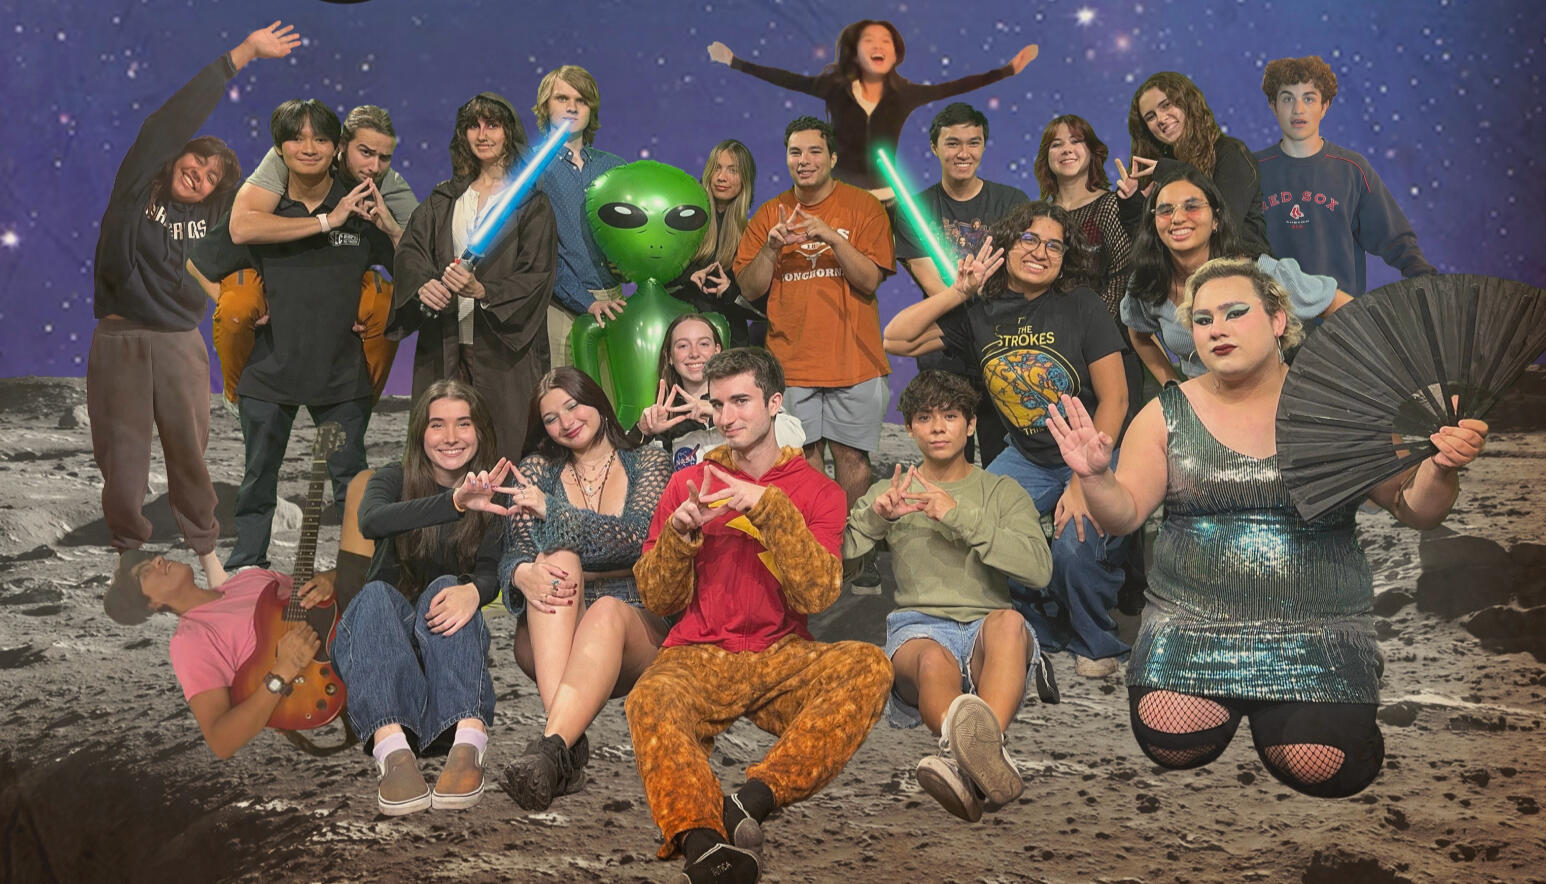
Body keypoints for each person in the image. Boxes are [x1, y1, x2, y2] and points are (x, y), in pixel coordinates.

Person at [1046, 256, 1489, 798]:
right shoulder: (1166, 413)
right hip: (1193, 623)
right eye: (1203, 320)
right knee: (1171, 741)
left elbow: (1415, 509)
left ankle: (1329, 696)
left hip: (1317, 626)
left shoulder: (1339, 409)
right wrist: (1094, 478)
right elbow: (1126, 513)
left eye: (1235, 312)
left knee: (1322, 766)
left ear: (1278, 319)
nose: (1217, 329)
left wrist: (1440, 468)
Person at [625, 348, 892, 883]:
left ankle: (748, 802)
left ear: (774, 403)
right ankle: (703, 845)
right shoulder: (688, 483)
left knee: (869, 666)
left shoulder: (820, 491)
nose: (727, 417)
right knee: (649, 698)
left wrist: (767, 507)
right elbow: (657, 599)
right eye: (718, 404)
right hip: (698, 653)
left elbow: (818, 594)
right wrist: (678, 537)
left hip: (781, 654)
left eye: (741, 401)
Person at [883, 202, 1131, 678]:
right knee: (971, 525)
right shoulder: (981, 310)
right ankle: (1034, 623)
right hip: (1027, 457)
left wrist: (1084, 480)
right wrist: (959, 291)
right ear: (1006, 245)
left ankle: (1095, 639)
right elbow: (896, 339)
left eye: (1055, 245)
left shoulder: (1082, 305)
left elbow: (1116, 399)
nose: (1041, 252)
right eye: (1030, 239)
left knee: (1074, 545)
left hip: (1092, 452)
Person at [88, 21, 297, 587]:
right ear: (173, 159)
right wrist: (241, 55)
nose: (199, 176)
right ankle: (128, 558)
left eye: (210, 177)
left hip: (180, 344)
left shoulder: (216, 221)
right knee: (122, 457)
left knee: (189, 454)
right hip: (120, 340)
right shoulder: (137, 188)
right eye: (194, 163)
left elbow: (261, 238)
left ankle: (208, 557)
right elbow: (166, 124)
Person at [189, 99, 395, 571]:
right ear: (279, 148)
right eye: (296, 139)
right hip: (269, 372)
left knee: (351, 481)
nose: (309, 148)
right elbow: (200, 263)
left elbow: (408, 264)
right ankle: (248, 568)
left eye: (320, 139)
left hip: (340, 374)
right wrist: (233, 304)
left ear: (336, 147)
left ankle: (362, 575)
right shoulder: (262, 209)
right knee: (258, 477)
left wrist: (385, 239)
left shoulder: (358, 205)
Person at [843, 371, 1051, 821]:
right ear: (909, 428)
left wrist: (959, 516)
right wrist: (877, 521)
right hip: (917, 630)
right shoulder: (889, 491)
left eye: (950, 416)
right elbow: (837, 569)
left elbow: (1039, 570)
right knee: (934, 658)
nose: (938, 427)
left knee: (1011, 622)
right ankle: (977, 761)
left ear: (971, 425)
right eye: (924, 417)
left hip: (987, 631)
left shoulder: (1001, 492)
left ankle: (966, 765)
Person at [497, 367, 672, 810]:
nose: (566, 422)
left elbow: (638, 541)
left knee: (604, 605)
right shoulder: (536, 470)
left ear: (596, 401)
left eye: (573, 406)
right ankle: (562, 747)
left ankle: (556, 748)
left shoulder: (649, 462)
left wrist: (552, 513)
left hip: (632, 622)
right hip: (554, 626)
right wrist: (520, 573)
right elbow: (516, 551)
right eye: (551, 418)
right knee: (556, 559)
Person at [329, 379, 507, 814]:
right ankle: (392, 753)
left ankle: (468, 744)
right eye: (437, 425)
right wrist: (455, 502)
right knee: (374, 595)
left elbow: (491, 570)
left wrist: (475, 591)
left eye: (463, 423)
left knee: (449, 587)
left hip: (446, 650)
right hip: (381, 647)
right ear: (420, 434)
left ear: (480, 430)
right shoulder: (392, 477)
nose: (450, 437)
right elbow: (372, 521)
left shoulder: (494, 490)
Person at [734, 116, 895, 521]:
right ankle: (812, 545)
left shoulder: (864, 207)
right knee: (801, 461)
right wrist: (771, 249)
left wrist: (832, 237)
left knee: (852, 459)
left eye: (814, 151)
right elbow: (749, 289)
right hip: (791, 364)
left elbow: (869, 280)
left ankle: (854, 546)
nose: (804, 160)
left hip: (855, 361)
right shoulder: (770, 214)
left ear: (833, 158)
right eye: (795, 152)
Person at [205, 103, 416, 405]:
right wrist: (326, 221)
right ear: (341, 146)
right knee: (237, 305)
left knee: (383, 301)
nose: (374, 166)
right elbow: (221, 243)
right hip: (275, 291)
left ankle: (356, 406)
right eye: (366, 152)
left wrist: (394, 231)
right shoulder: (287, 164)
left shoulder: (388, 189)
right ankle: (239, 398)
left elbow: (423, 264)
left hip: (342, 287)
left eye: (384, 157)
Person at [392, 92, 557, 458]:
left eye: (492, 125)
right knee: (442, 450)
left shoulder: (531, 204)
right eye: (473, 126)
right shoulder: (445, 199)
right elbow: (410, 252)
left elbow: (538, 274)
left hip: (503, 350)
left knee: (508, 447)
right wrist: (423, 286)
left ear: (508, 132)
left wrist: (483, 290)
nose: (482, 135)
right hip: (446, 343)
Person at [707, 21, 1038, 199]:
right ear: (854, 52)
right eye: (869, 40)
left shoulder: (905, 95)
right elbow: (788, 79)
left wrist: (1007, 71)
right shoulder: (834, 88)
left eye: (886, 41)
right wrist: (735, 62)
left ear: (895, 53)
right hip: (839, 196)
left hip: (887, 199)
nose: (879, 46)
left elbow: (954, 86)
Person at [1121, 167, 1352, 383]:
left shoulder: (1259, 272)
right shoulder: (1147, 283)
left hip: (1272, 400)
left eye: (1192, 206)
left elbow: (1341, 305)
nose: (1178, 218)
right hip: (1203, 404)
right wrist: (1171, 385)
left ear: (1216, 220)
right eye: (1165, 210)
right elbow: (1139, 336)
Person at [102, 548, 336, 760]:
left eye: (152, 558)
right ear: (151, 604)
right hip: (327, 681)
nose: (159, 560)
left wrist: (330, 578)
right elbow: (221, 741)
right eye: (145, 572)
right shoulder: (191, 640)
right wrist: (283, 672)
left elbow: (321, 591)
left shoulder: (251, 578)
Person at [895, 102, 1030, 467]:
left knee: (1006, 462)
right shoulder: (914, 210)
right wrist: (968, 290)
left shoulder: (1012, 203)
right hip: (945, 350)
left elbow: (1021, 275)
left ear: (984, 145)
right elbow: (934, 285)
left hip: (1002, 347)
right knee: (949, 461)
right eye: (953, 143)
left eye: (973, 142)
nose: (963, 153)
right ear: (934, 147)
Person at [1255, 55, 1437, 296]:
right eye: (1288, 98)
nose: (1298, 109)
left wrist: (1429, 284)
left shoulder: (1352, 169)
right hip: (1271, 312)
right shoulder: (1251, 170)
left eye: (1309, 98)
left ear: (1324, 106)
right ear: (1273, 106)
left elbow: (1395, 239)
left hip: (1340, 313)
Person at [533, 65, 625, 366]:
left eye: (581, 100)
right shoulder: (530, 170)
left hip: (616, 304)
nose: (572, 107)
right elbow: (537, 253)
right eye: (562, 98)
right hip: (559, 309)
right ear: (545, 106)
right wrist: (586, 301)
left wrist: (627, 268)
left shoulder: (615, 169)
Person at [637, 313, 805, 469]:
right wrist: (644, 432)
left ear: (717, 350)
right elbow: (633, 473)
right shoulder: (665, 415)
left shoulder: (748, 394)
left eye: (703, 344)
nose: (694, 353)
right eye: (683, 346)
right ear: (669, 357)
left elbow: (795, 439)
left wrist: (719, 410)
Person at [1127, 71, 1270, 255]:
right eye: (1150, 117)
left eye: (1166, 105)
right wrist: (1131, 204)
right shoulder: (1161, 169)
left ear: (1188, 103)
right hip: (1186, 268)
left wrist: (1173, 172)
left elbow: (1224, 226)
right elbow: (1148, 247)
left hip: (1243, 265)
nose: (1161, 119)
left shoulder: (1230, 152)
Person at [665, 139, 763, 347]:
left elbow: (761, 310)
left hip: (730, 345)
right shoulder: (683, 221)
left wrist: (729, 292)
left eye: (732, 170)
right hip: (682, 339)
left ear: (745, 180)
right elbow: (655, 275)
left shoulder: (752, 233)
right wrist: (688, 276)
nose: (721, 177)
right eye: (717, 168)